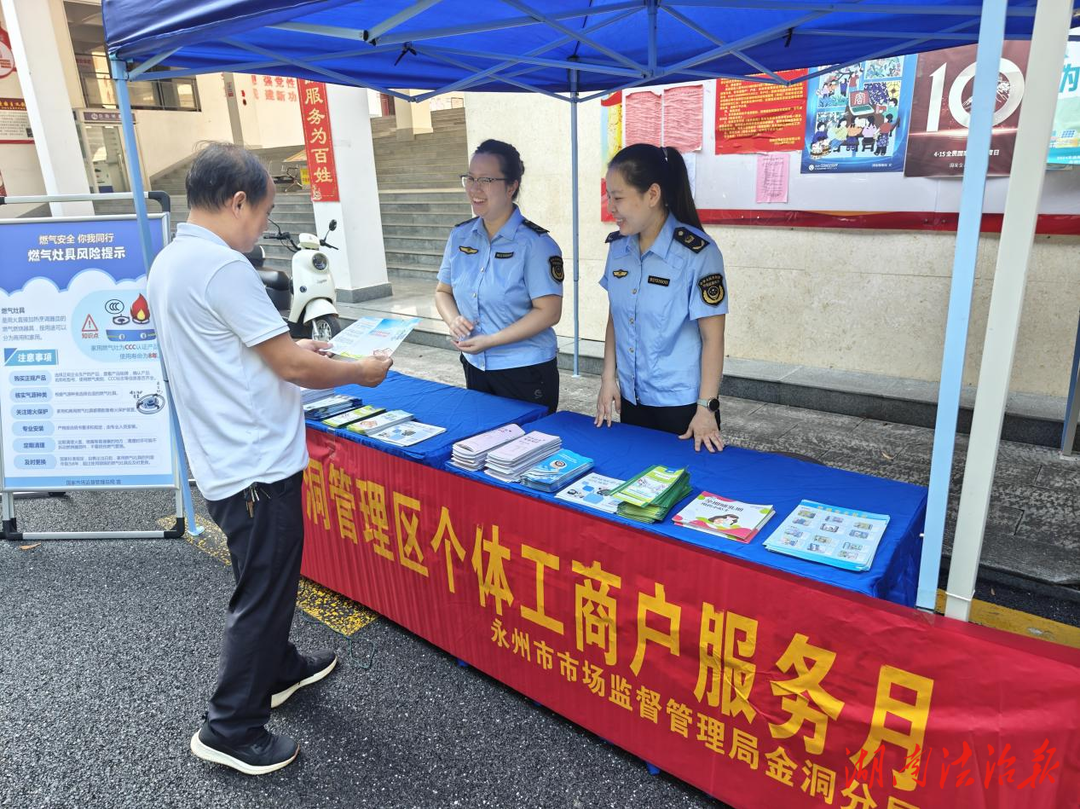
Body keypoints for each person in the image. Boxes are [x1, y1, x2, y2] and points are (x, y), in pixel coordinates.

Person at [146, 143, 393, 775]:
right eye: (263, 210)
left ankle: (278, 669)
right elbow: (287, 364)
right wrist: (358, 370)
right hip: (255, 463)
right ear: (236, 202)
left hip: (225, 456)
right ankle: (230, 726)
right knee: (262, 591)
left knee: (268, 581)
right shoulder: (223, 268)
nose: (263, 225)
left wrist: (298, 346)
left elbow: (249, 349)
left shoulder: (173, 259)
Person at [595, 143, 727, 453]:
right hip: (632, 399)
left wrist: (706, 407)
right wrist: (607, 379)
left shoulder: (699, 254)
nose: (611, 207)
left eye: (618, 197)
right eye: (608, 197)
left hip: (681, 407)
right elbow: (616, 316)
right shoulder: (618, 248)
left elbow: (713, 339)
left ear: (652, 195)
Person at [434, 139, 563, 412]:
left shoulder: (536, 244)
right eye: (470, 178)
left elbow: (549, 312)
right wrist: (453, 320)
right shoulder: (460, 236)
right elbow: (442, 291)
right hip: (475, 365)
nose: (474, 189)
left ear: (512, 185)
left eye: (486, 180)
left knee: (526, 449)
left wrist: (491, 341)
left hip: (525, 371)